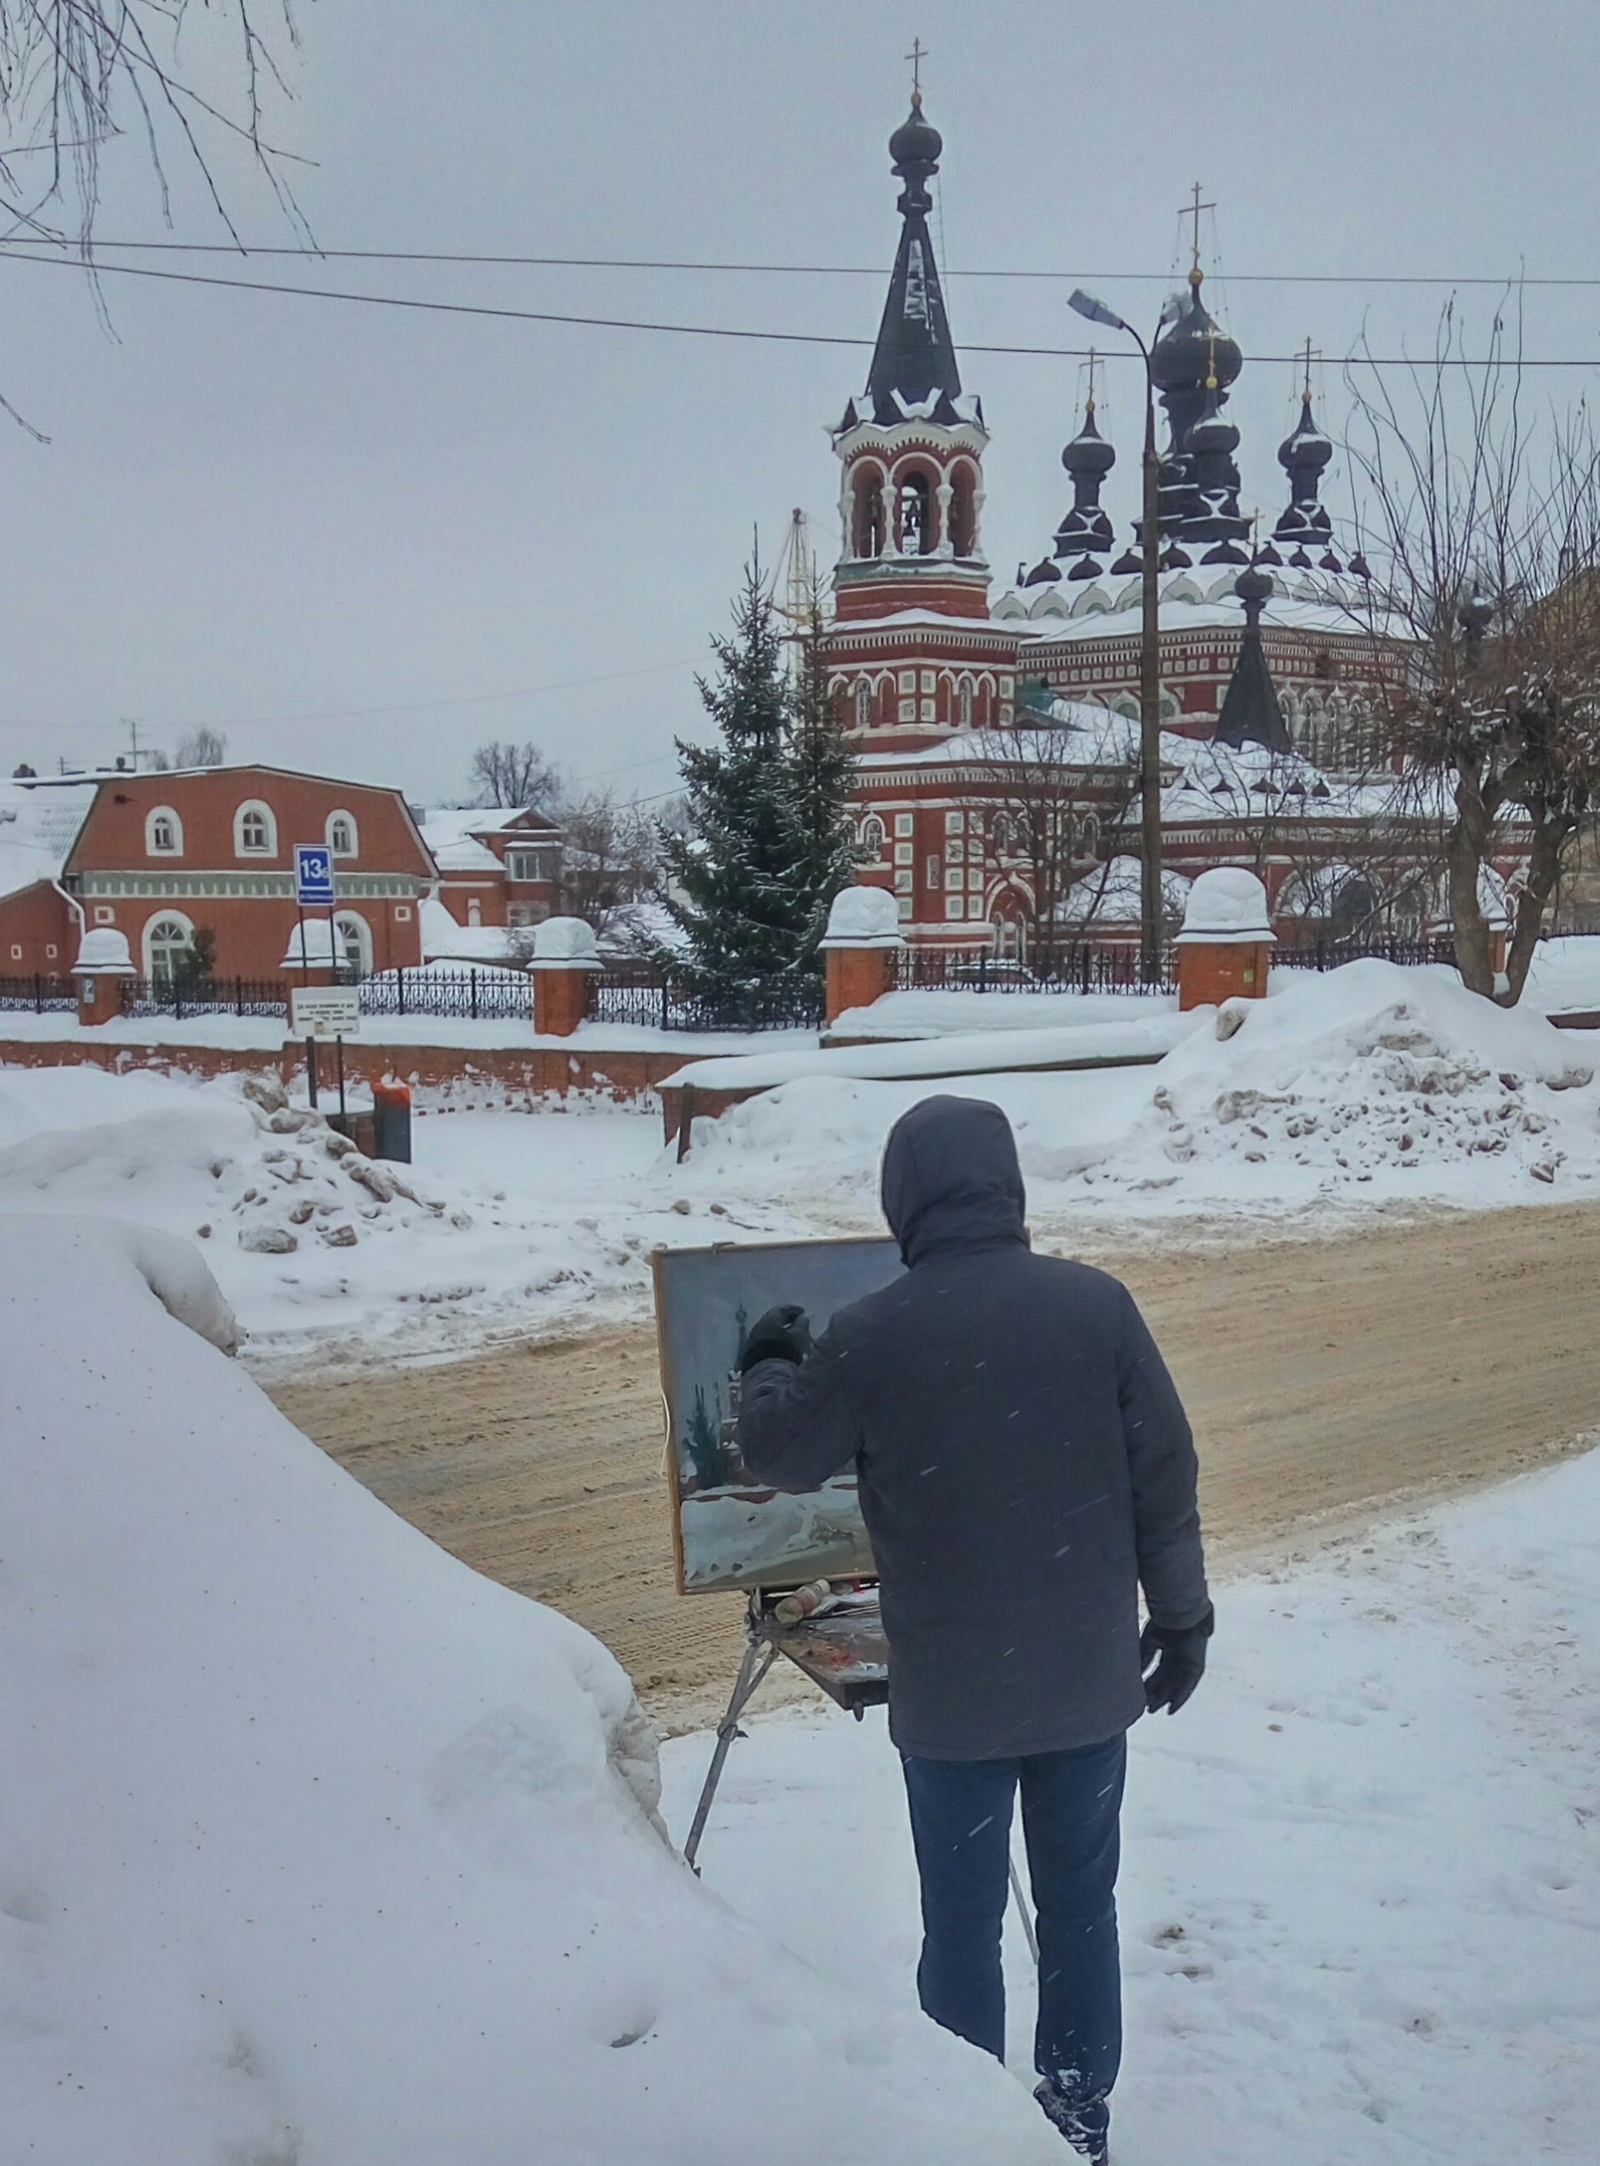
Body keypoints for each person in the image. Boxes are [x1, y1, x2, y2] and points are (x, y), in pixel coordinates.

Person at [735, 1094, 1211, 2164]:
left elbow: (778, 1457)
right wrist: (1182, 1621)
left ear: (902, 1199)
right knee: (1081, 1914)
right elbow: (1163, 1479)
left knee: (960, 1930)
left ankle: (968, 2142)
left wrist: (767, 1360)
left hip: (951, 1706)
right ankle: (1077, 2131)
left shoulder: (868, 1337)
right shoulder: (1097, 1309)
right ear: (1007, 1186)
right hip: (1088, 1690)